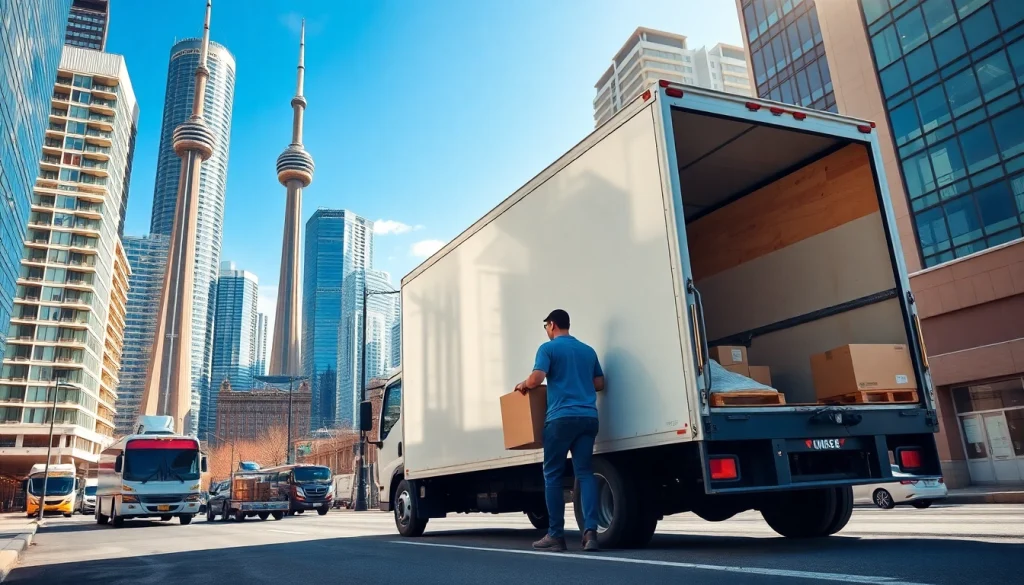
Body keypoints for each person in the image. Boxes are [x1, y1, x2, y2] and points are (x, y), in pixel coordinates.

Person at [515, 309, 605, 552]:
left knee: (552, 475)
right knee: (584, 474)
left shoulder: (549, 349)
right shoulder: (588, 350)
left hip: (561, 419)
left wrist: (523, 384)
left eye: (545, 326)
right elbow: (599, 383)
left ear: (552, 325)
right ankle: (590, 533)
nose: (546, 330)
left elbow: (536, 379)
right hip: (588, 418)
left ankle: (555, 535)